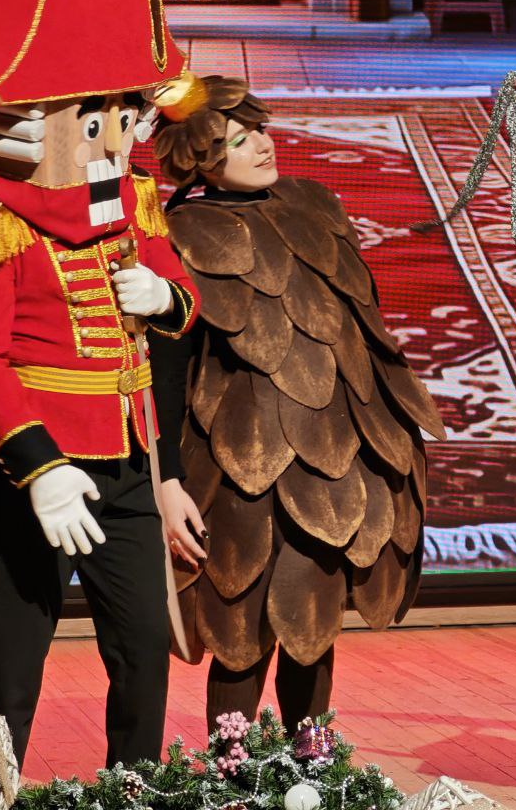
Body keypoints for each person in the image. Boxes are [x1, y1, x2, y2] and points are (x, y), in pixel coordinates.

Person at [0, 0, 199, 765]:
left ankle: (135, 789)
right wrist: (41, 470)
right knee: (15, 666)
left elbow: (183, 292)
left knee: (144, 649)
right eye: (105, 117)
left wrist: (163, 298)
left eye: (127, 114)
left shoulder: (132, 199)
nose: (124, 135)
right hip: (39, 471)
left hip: (127, 459)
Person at [146, 71, 444, 734]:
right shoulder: (181, 233)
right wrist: (166, 481)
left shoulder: (314, 206)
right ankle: (232, 774)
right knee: (241, 624)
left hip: (331, 459)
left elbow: (361, 335)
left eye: (258, 130)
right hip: (237, 465)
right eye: (235, 139)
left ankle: (313, 768)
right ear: (198, 157)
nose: (261, 145)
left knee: (313, 619)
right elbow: (164, 371)